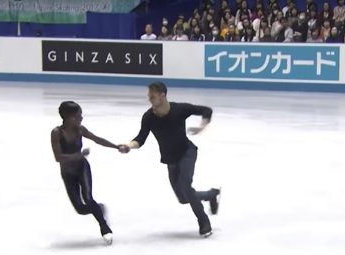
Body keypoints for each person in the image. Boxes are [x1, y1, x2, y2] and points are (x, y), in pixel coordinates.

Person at [122, 82, 221, 237]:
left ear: (162, 95)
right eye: (149, 96)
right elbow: (140, 139)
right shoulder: (148, 117)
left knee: (185, 186)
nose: (149, 99)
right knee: (183, 198)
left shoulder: (179, 109)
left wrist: (202, 126)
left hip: (187, 153)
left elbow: (206, 110)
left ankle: (204, 222)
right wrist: (129, 146)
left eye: (152, 96)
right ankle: (211, 195)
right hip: (170, 160)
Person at [50, 101, 127, 244]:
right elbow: (58, 157)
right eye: (79, 115)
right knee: (80, 208)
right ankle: (99, 209)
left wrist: (116, 146)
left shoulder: (80, 129)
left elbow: (97, 139)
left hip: (82, 168)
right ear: (70, 117)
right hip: (67, 173)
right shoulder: (56, 133)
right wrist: (79, 155)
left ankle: (104, 227)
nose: (81, 118)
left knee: (88, 198)